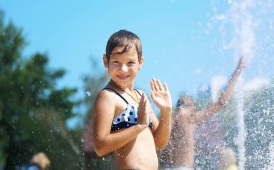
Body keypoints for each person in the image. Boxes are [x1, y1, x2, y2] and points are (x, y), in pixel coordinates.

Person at [92, 30, 172, 169]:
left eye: (130, 63)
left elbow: (159, 143)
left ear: (140, 62)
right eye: (116, 62)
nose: (123, 69)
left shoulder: (140, 95)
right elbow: (100, 146)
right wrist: (138, 127)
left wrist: (166, 111)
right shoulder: (108, 96)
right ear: (106, 61)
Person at [160, 57, 245, 170]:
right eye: (193, 107)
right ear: (188, 108)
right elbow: (221, 103)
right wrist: (237, 72)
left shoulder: (166, 119)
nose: (195, 109)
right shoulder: (189, 119)